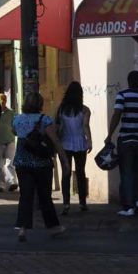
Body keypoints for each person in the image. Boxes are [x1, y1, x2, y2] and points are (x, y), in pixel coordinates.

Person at [13, 91, 68, 242]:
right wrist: (64, 160)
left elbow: (15, 132)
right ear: (40, 104)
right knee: (45, 197)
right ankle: (53, 227)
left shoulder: (17, 119)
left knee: (25, 196)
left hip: (22, 163)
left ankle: (22, 229)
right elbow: (55, 141)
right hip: (41, 163)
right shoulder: (44, 120)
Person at [106, 70, 138, 217]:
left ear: (128, 81)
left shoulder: (122, 95)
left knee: (126, 173)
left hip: (126, 139)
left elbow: (117, 115)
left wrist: (109, 134)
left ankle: (128, 207)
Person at [55, 81, 92, 214]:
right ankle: (82, 203)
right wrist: (90, 141)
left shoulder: (61, 109)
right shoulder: (85, 110)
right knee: (81, 173)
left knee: (66, 173)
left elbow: (58, 126)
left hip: (65, 143)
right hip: (80, 143)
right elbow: (85, 126)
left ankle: (66, 204)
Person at [0, 93, 18, 193]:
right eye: (0, 101)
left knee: (9, 164)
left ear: (5, 101)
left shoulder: (12, 113)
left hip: (10, 141)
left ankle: (12, 182)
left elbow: (15, 125)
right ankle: (0, 185)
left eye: (3, 101)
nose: (1, 103)